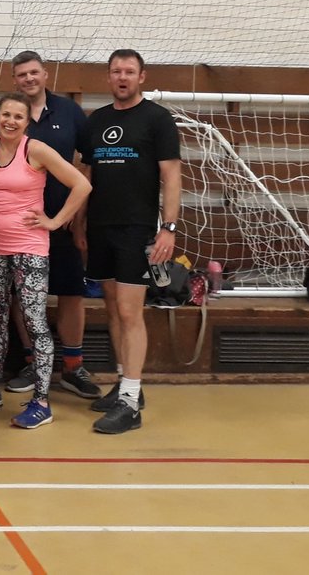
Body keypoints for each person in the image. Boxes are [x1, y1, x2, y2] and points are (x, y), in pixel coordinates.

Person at [0, 51, 98, 400]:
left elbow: (84, 179)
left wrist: (61, 221)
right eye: (6, 115)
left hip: (37, 239)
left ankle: (54, 385)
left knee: (48, 308)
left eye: (18, 117)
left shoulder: (48, 135)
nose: (11, 121)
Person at [79, 50, 181, 434]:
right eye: (116, 71)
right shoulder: (97, 120)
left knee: (129, 311)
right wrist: (79, 222)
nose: (122, 77)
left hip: (136, 230)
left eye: (129, 71)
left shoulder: (157, 119)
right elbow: (85, 174)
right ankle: (126, 385)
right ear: (109, 77)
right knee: (112, 308)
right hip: (100, 227)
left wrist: (168, 228)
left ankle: (131, 404)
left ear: (141, 77)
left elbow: (172, 176)